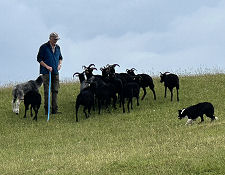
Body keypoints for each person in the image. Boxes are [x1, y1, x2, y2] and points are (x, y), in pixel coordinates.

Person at [37, 32, 63, 114]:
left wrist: (59, 65)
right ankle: (47, 110)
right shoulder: (44, 47)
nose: (56, 41)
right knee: (47, 91)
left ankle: (55, 110)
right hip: (46, 72)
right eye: (55, 39)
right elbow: (39, 59)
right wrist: (47, 66)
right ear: (50, 38)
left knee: (55, 90)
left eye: (57, 39)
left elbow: (60, 58)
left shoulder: (58, 47)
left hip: (55, 72)